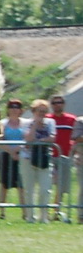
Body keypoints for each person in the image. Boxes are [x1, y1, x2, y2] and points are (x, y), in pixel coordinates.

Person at [21, 100, 57, 223]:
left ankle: (44, 216)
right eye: (40, 111)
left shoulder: (51, 122)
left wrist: (38, 140)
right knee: (29, 189)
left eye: (45, 111)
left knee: (45, 189)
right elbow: (29, 139)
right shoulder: (26, 123)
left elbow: (52, 138)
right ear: (34, 111)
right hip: (27, 159)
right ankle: (30, 217)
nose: (42, 114)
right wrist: (35, 125)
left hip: (45, 158)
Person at [0, 98, 24, 221]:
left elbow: (28, 138)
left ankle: (25, 211)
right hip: (6, 156)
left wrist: (18, 149)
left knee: (21, 185)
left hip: (22, 156)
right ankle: (2, 212)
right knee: (4, 184)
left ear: (21, 110)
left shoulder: (25, 123)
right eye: (12, 107)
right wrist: (11, 151)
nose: (14, 109)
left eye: (17, 107)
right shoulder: (3, 123)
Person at [50, 93, 75, 222]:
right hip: (49, 157)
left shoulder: (71, 120)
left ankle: (56, 211)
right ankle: (44, 209)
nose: (57, 105)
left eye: (59, 102)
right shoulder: (48, 119)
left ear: (63, 104)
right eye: (54, 103)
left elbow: (75, 137)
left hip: (64, 156)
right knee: (47, 185)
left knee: (61, 186)